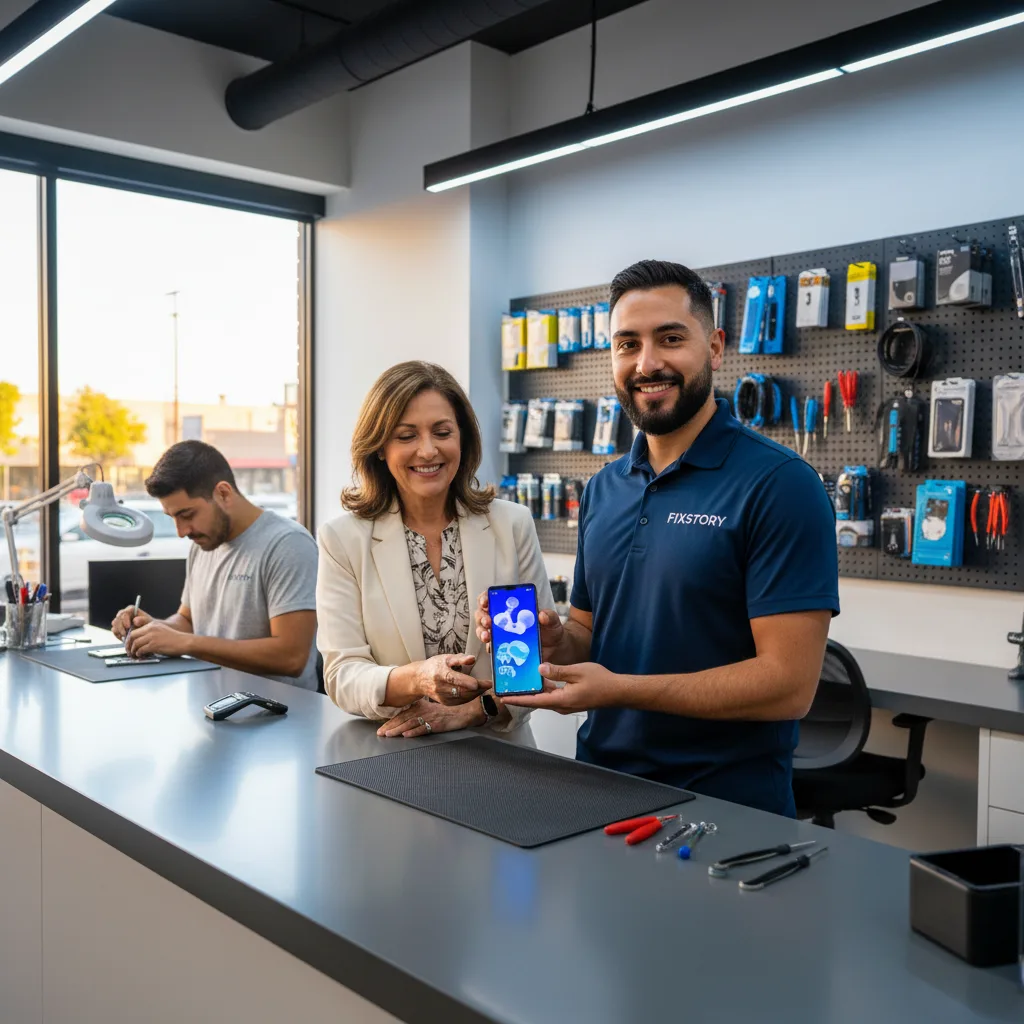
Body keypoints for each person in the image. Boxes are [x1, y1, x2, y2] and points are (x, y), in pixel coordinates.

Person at [476, 260, 839, 816]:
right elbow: (590, 634)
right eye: (627, 345)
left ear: (715, 348)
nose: (647, 364)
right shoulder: (603, 488)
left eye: (670, 339)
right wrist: (553, 645)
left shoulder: (780, 485)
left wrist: (619, 689)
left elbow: (788, 685)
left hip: (727, 810)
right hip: (599, 792)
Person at [316, 360, 553, 738]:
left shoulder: (512, 524)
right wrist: (417, 679)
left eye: (442, 432)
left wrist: (473, 711)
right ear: (379, 447)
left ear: (462, 439)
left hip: (502, 755)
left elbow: (538, 662)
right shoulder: (343, 540)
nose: (427, 451)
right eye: (406, 436)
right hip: (396, 755)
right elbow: (343, 676)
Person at [111, 441, 320, 690]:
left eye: (187, 515)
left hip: (276, 716)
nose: (181, 531)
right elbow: (189, 621)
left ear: (223, 493)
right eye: (173, 518)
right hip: (212, 706)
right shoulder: (202, 544)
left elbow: (291, 657)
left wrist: (186, 643)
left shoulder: (288, 545)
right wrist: (154, 629)